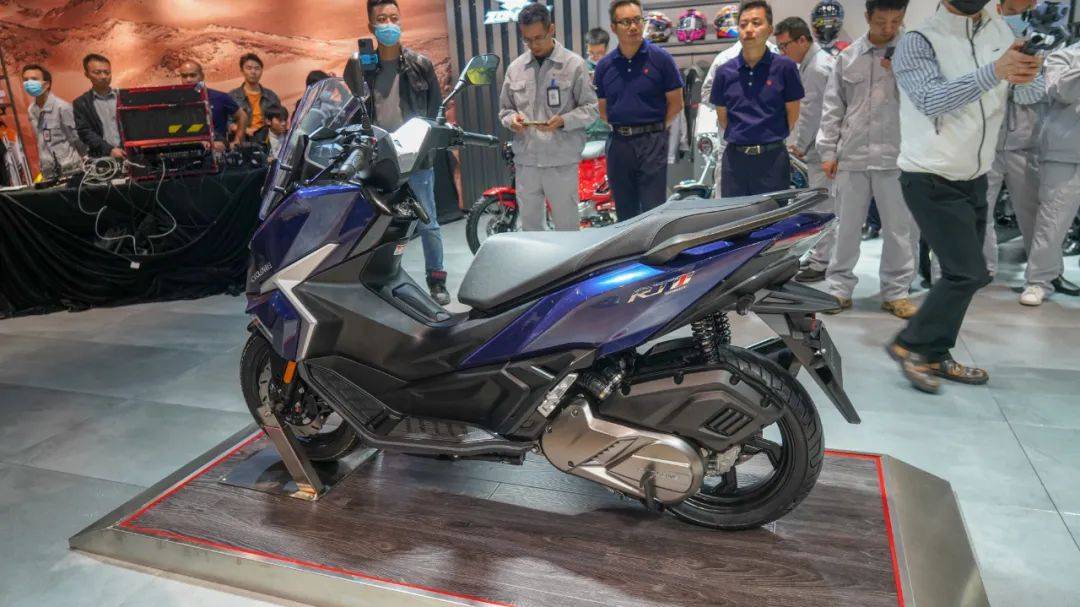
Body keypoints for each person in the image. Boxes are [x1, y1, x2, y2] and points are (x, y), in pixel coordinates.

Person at [888, 0, 1042, 393]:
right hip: (929, 174)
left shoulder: (999, 31)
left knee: (972, 273)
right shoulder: (918, 40)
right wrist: (995, 71)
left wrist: (1029, 73)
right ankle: (910, 344)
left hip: (975, 174)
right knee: (966, 271)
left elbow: (1026, 97)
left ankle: (935, 351)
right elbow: (930, 100)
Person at [814, 0, 919, 319]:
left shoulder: (913, 54)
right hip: (853, 155)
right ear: (867, 17)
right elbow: (833, 107)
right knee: (846, 227)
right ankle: (838, 288)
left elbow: (923, 103)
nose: (889, 28)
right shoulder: (847, 57)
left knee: (899, 230)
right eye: (881, 21)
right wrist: (828, 151)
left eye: (896, 21)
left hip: (898, 157)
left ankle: (897, 292)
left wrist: (901, 71)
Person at [344, 0, 450, 304]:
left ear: (401, 21)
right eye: (382, 19)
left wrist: (429, 141)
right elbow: (354, 110)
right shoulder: (361, 67)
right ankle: (374, 281)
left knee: (428, 220)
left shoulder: (420, 64)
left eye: (393, 17)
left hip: (417, 158)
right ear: (371, 26)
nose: (389, 24)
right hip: (380, 159)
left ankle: (437, 280)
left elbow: (436, 111)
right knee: (377, 224)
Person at [498, 3, 598, 232]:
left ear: (551, 29)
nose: (534, 45)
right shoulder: (515, 68)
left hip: (561, 161)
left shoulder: (574, 65)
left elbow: (591, 109)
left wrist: (564, 121)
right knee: (531, 229)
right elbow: (505, 110)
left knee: (567, 228)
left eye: (538, 38)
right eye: (527, 40)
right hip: (526, 163)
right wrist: (512, 120)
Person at [594, 0, 684, 219]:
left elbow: (676, 103)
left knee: (653, 210)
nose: (633, 27)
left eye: (637, 20)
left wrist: (656, 128)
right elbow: (603, 110)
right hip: (619, 144)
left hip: (652, 142)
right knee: (625, 211)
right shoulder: (605, 66)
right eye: (626, 22)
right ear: (613, 27)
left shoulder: (661, 59)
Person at [709, 0, 803, 197]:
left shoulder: (785, 68)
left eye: (756, 23)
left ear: (769, 30)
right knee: (735, 215)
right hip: (735, 162)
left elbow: (792, 115)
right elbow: (723, 119)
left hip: (773, 160)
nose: (749, 29)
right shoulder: (724, 72)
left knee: (773, 216)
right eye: (743, 24)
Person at [775, 17, 836, 284]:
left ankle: (822, 262)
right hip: (822, 147)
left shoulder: (817, 68)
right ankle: (821, 257)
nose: (783, 52)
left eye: (785, 45)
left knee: (823, 205)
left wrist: (799, 144)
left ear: (802, 40)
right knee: (823, 203)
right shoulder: (815, 63)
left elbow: (812, 112)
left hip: (822, 149)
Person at [1024, 39, 1080, 305]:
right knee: (1052, 222)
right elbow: (1061, 91)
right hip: (1065, 152)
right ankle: (1039, 281)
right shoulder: (1063, 56)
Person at [21, 64, 84, 180]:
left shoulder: (62, 107)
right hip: (48, 171)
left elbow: (77, 138)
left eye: (34, 79)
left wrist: (86, 160)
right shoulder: (31, 110)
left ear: (47, 84)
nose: (29, 83)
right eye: (25, 80)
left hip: (70, 170)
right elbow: (41, 140)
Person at [178, 60, 247, 153]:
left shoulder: (220, 97)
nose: (188, 80)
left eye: (193, 75)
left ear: (202, 76)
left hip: (216, 148)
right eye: (184, 76)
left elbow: (242, 116)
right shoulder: (177, 101)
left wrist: (237, 142)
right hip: (186, 149)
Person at [73, 54, 123, 159]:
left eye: (107, 72)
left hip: (128, 154)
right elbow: (85, 132)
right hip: (102, 157)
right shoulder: (81, 103)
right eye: (97, 72)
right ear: (87, 74)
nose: (103, 76)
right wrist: (109, 150)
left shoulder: (123, 97)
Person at [229, 53, 281, 146]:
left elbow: (279, 119)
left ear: (262, 71)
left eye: (257, 68)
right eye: (249, 68)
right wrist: (244, 129)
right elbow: (227, 122)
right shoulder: (232, 96)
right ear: (242, 71)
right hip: (242, 141)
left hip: (267, 142)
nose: (253, 72)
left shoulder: (271, 97)